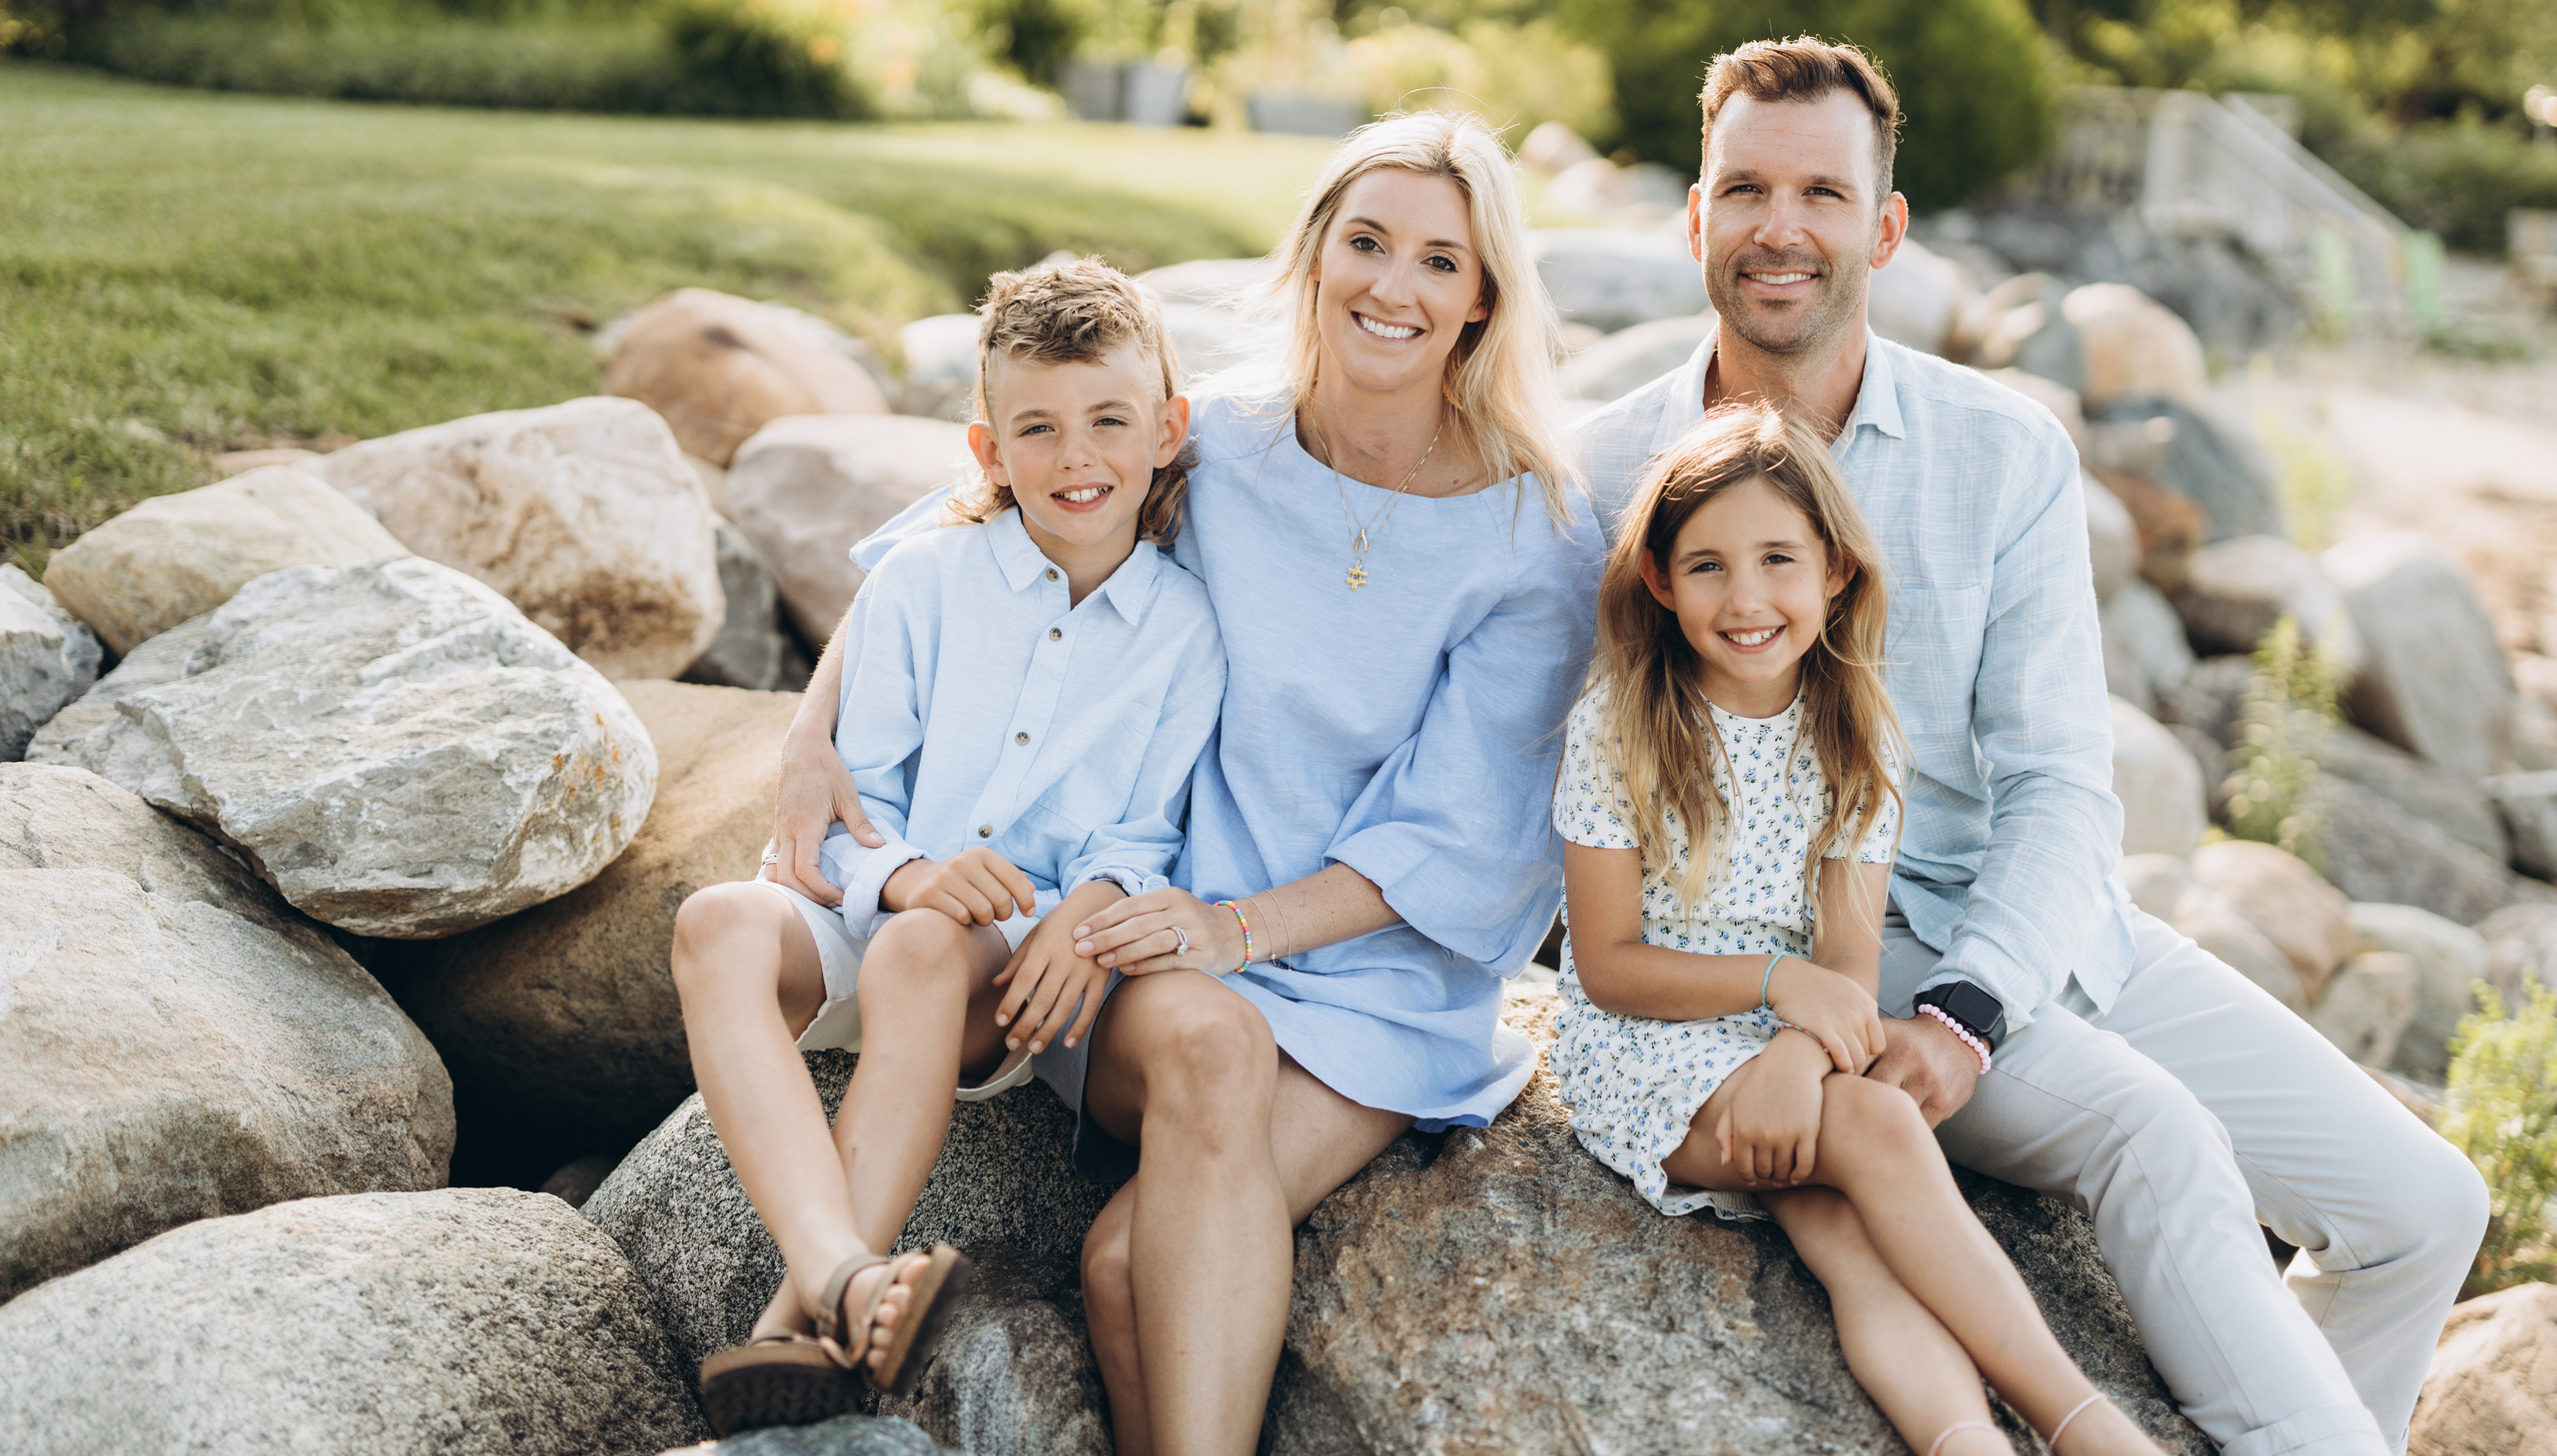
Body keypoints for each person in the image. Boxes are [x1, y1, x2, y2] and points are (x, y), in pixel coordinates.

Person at [1575, 36, 2486, 1456]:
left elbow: (2064, 778)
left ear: (1884, 228)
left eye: (1822, 193)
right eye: (1745, 188)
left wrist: (1977, 1004)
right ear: (1695, 216)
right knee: (2151, 1134)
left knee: (2429, 1206)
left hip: (2026, 925)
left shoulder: (2001, 446)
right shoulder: (1600, 471)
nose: (1780, 227)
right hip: (1821, 950)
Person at [766, 111, 1602, 1456]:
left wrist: (1238, 928)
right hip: (1148, 947)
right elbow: (954, 529)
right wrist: (811, 734)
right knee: (1144, 1211)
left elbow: (1460, 837)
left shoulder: (1535, 533)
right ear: (1314, 257)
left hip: (1368, 974)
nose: (1395, 285)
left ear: (1485, 295)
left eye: (1440, 261)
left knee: (1118, 1265)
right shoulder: (1211, 438)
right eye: (1366, 242)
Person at [670, 260, 1226, 1435]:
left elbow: (1144, 834)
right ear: (985, 449)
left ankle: (791, 1330)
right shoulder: (923, 582)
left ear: (1167, 431)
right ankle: (837, 1280)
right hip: (871, 905)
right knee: (715, 922)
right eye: (1038, 429)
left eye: (1108, 423)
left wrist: (1088, 911)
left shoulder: (1186, 634)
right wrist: (913, 873)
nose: (1076, 459)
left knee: (925, 948)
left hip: (1001, 972)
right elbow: (854, 799)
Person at [1552, 402, 2169, 1456]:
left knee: (1852, 1239)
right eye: (1706, 566)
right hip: (1647, 1048)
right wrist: (1780, 995)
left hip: (1786, 1044)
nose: (1745, 598)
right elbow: (1607, 967)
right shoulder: (1623, 723)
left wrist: (1798, 1051)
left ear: (1835, 569)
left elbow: (1846, 955)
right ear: (1656, 580)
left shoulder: (1856, 730)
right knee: (1879, 1129)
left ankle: (1962, 1440)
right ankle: (2082, 1422)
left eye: (1777, 559)